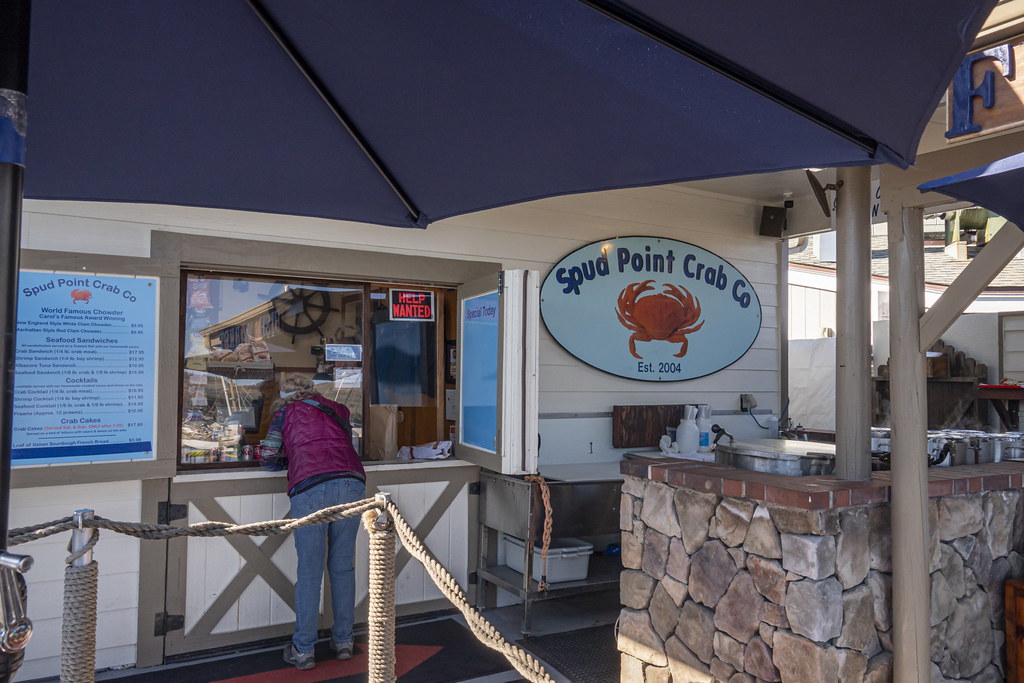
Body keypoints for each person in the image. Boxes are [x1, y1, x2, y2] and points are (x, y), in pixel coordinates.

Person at [260, 374, 366, 671]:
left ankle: (304, 649)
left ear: (284, 395)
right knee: (343, 567)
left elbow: (268, 455)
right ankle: (344, 641)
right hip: (351, 483)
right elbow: (348, 444)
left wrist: (287, 460)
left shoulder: (284, 413)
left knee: (309, 571)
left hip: (310, 486)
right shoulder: (337, 409)